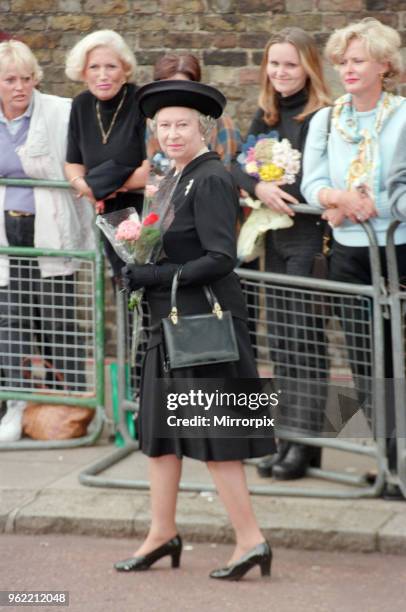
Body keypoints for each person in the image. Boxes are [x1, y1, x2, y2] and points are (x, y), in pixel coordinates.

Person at [115, 80, 274, 580]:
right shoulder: (172, 176)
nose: (172, 133)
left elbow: (222, 259)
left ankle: (251, 541)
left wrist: (153, 274)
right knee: (159, 436)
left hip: (205, 328)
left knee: (220, 440)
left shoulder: (210, 178)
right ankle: (161, 533)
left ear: (202, 127)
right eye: (163, 126)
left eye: (182, 124)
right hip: (168, 324)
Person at [302, 18, 406, 496]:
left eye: (358, 60)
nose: (346, 68)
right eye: (342, 61)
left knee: (399, 355)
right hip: (347, 253)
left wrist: (376, 205)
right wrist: (339, 199)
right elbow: (311, 183)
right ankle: (383, 462)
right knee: (365, 358)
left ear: (385, 65)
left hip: (399, 250)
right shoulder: (327, 117)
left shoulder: (403, 115)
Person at [231, 27, 331, 480]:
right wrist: (259, 185)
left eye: (290, 64)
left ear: (308, 66)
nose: (281, 72)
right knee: (283, 343)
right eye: (274, 64)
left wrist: (280, 186)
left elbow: (320, 175)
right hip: (274, 238)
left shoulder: (324, 115)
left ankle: (305, 442)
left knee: (306, 341)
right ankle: (290, 439)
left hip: (310, 239)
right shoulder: (267, 113)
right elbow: (236, 165)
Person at [0, 40, 94, 442]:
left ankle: (73, 401)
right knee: (10, 318)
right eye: (9, 80)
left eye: (27, 78)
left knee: (56, 315)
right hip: (6, 228)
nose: (20, 87)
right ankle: (16, 404)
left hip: (51, 226)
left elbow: (77, 161)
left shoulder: (59, 111)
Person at [64, 30, 149, 277]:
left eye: (111, 66)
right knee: (123, 285)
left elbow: (150, 168)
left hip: (145, 210)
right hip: (108, 213)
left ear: (125, 69)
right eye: (94, 67)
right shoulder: (81, 105)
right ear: (83, 72)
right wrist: (85, 186)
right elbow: (72, 162)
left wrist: (105, 187)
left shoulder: (141, 101)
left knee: (149, 287)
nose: (102, 75)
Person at [146, 52, 242, 171]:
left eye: (180, 87)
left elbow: (228, 174)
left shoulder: (221, 123)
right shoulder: (153, 121)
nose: (173, 94)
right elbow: (153, 167)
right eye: (166, 87)